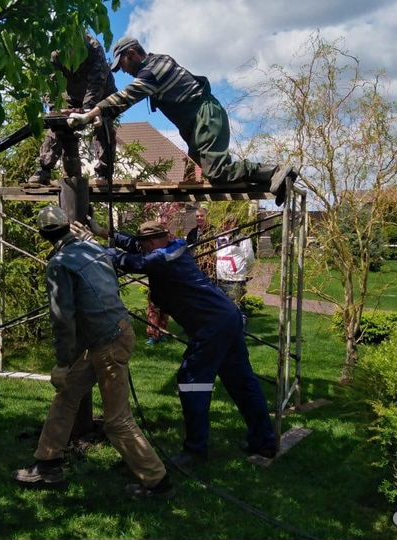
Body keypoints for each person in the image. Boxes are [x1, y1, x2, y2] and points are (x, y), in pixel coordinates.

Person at [14, 206, 173, 498]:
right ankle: (47, 464)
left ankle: (157, 481)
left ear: (43, 235)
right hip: (111, 334)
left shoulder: (60, 264)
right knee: (68, 394)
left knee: (116, 421)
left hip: (108, 342)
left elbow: (62, 319)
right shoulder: (93, 249)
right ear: (67, 227)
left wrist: (63, 364)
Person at [104, 220, 277, 465]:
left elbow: (136, 262)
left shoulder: (164, 257)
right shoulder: (171, 247)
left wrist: (100, 251)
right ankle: (264, 441)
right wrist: (108, 233)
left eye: (144, 245)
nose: (141, 248)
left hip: (212, 325)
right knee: (241, 381)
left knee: (192, 380)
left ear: (152, 243)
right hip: (226, 318)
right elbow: (135, 246)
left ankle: (195, 450)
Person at [66, 37, 295, 205]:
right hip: (197, 124)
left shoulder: (154, 71)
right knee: (211, 172)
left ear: (132, 54)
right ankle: (274, 182)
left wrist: (89, 114)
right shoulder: (156, 64)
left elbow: (125, 97)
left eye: (122, 65)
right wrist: (100, 116)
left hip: (206, 117)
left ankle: (274, 171)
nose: (123, 71)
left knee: (217, 172)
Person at [29, 34, 118, 187]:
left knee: (104, 124)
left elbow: (97, 82)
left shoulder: (93, 48)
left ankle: (104, 172)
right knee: (58, 124)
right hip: (71, 95)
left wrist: (88, 110)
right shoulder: (54, 53)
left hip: (101, 93)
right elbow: (50, 84)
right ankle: (44, 169)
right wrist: (54, 109)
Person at [216, 219, 256, 312]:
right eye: (226, 223)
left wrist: (243, 273)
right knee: (223, 310)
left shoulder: (243, 238)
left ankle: (241, 325)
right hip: (220, 279)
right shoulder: (218, 239)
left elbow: (249, 258)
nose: (228, 226)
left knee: (237, 309)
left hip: (236, 280)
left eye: (232, 223)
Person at [186, 207, 216, 283]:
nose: (199, 218)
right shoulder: (192, 233)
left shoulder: (214, 231)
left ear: (207, 217)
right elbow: (188, 250)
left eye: (202, 216)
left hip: (210, 269)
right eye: (197, 216)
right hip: (195, 269)